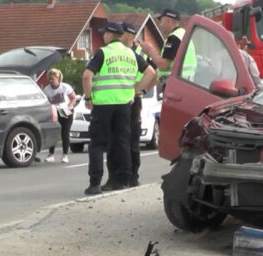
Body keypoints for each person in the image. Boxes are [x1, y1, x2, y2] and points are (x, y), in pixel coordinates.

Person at [82, 21, 155, 195]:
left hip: (103, 105)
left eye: (104, 33)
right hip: (124, 105)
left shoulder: (102, 53)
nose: (103, 36)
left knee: (98, 144)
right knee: (122, 142)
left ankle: (95, 183)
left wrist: (87, 97)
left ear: (109, 35)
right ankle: (123, 180)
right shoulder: (130, 54)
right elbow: (151, 72)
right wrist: (136, 89)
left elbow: (86, 76)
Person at [139, 8, 196, 83]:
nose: (160, 25)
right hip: (185, 82)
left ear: (168, 21)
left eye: (161, 21)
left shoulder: (174, 37)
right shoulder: (183, 35)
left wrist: (149, 51)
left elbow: (163, 65)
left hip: (175, 84)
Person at [43, 68, 77, 164]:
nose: (51, 81)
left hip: (66, 112)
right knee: (53, 133)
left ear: (58, 78)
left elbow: (73, 98)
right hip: (54, 112)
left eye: (52, 79)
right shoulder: (46, 89)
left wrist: (69, 106)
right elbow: (46, 102)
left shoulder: (65, 87)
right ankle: (51, 154)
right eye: (49, 79)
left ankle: (65, 155)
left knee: (65, 133)